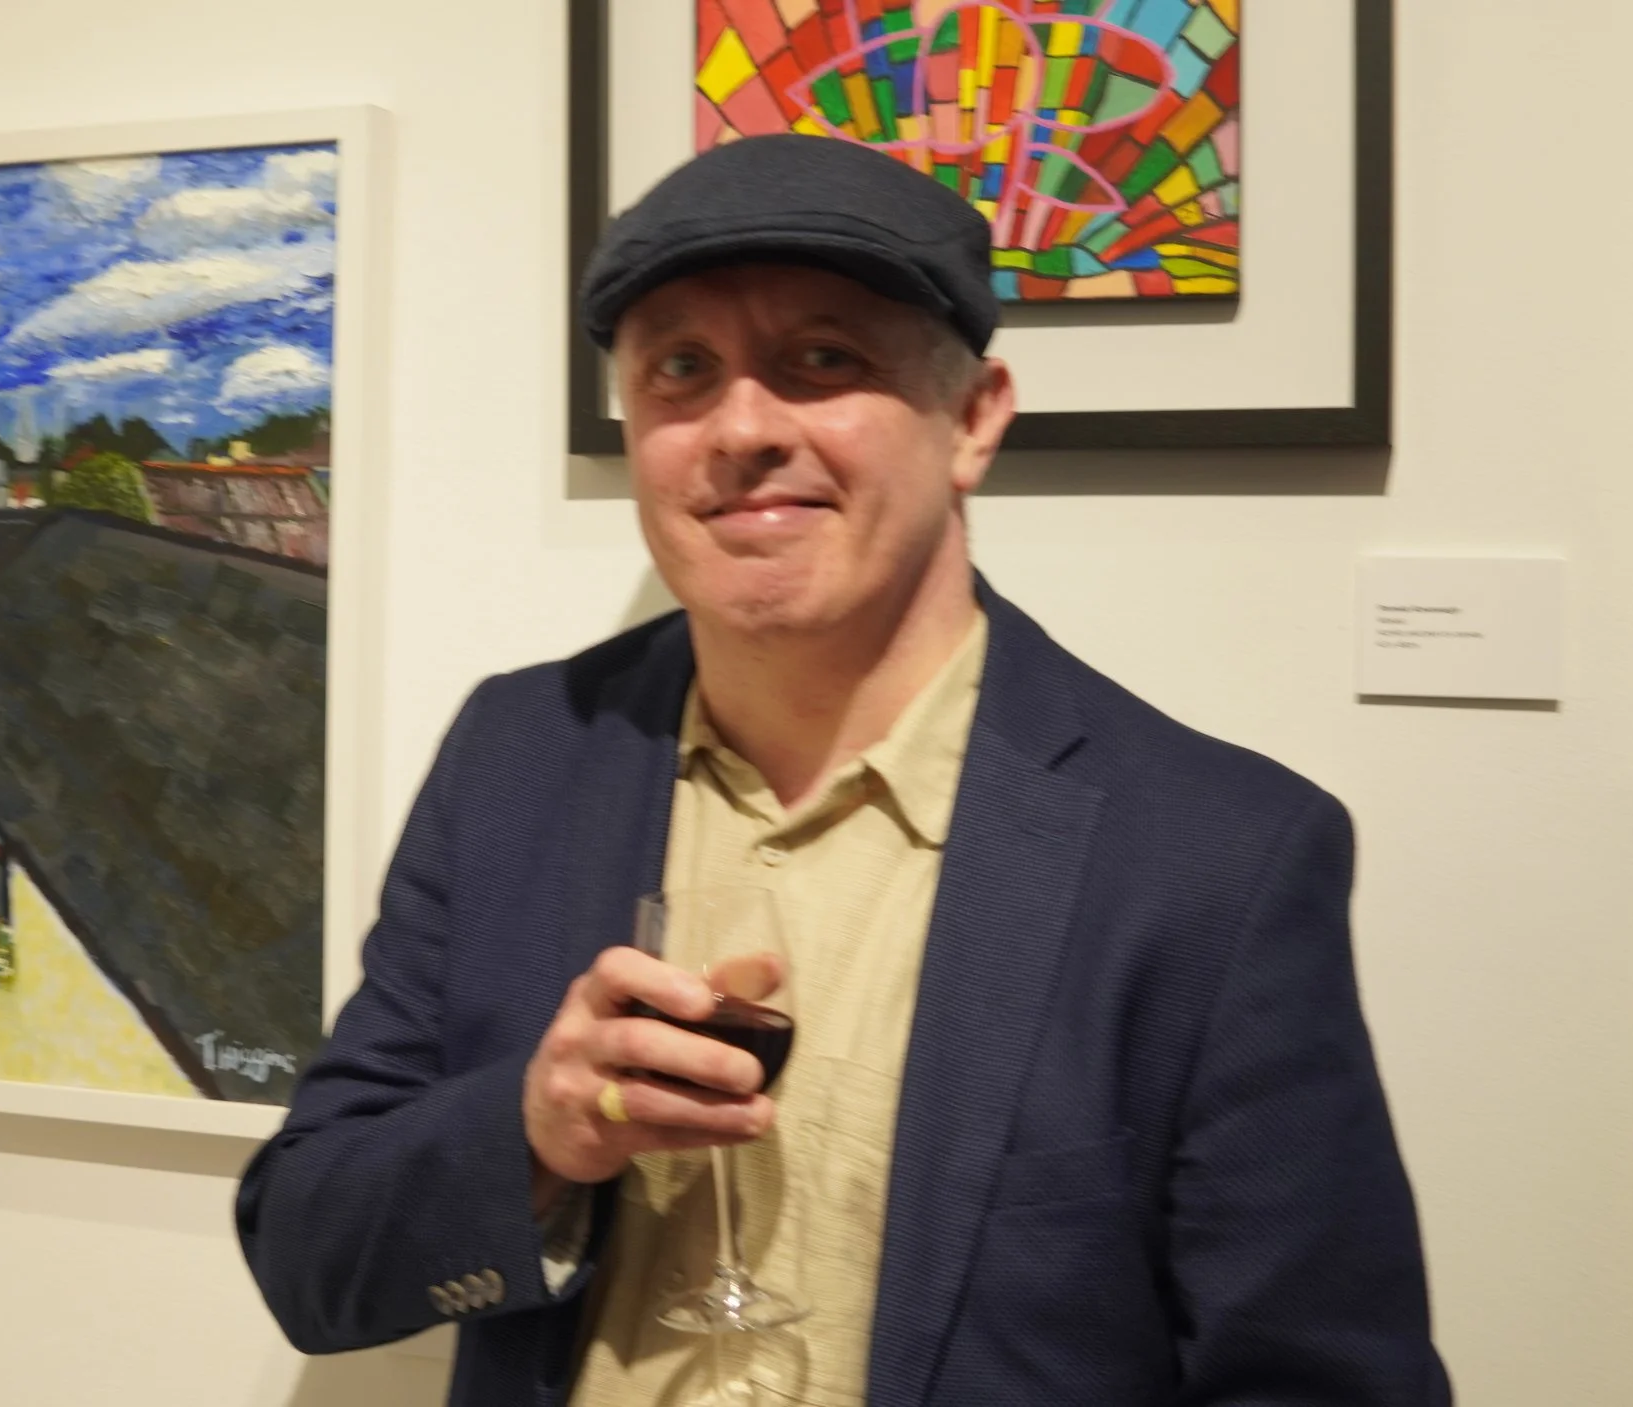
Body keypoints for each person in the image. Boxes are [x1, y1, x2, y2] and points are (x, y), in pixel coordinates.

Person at [236, 135, 1448, 1406]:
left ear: (973, 420)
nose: (743, 429)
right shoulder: (519, 757)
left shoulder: (1214, 860)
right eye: (681, 371)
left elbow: (1321, 1380)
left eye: (825, 361)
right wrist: (535, 1132)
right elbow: (308, 1257)